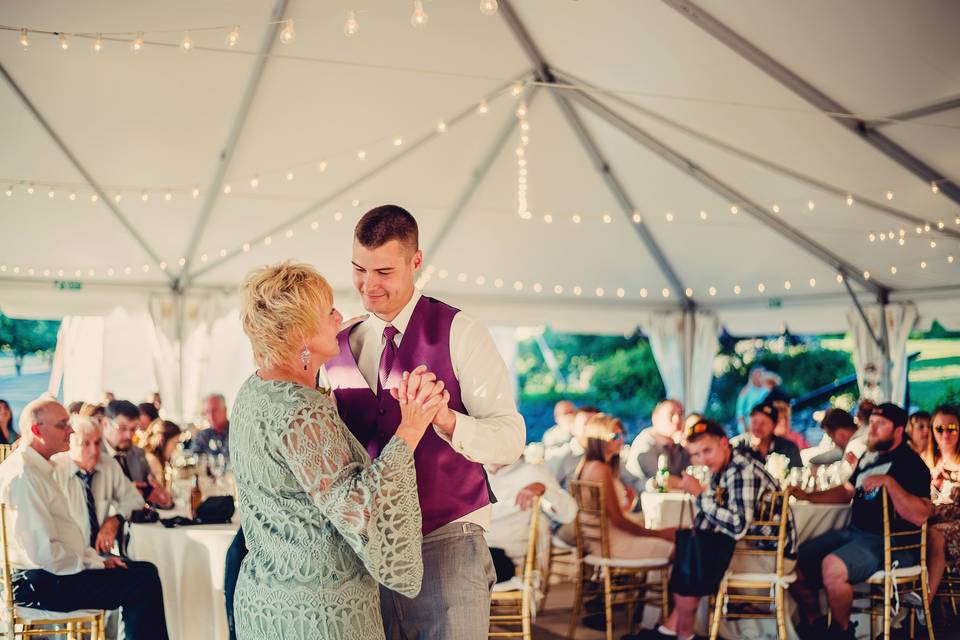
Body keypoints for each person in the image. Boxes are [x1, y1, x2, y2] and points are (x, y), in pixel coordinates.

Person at [325, 205, 525, 640]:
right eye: (359, 269)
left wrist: (447, 419)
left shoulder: (460, 331)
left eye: (383, 271)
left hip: (447, 541)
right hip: (366, 553)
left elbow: (510, 439)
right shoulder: (339, 344)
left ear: (416, 262)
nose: (368, 285)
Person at [231, 261, 437, 640]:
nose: (339, 317)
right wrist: (410, 427)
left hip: (264, 603)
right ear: (299, 334)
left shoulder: (253, 392)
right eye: (328, 312)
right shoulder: (301, 410)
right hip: (319, 615)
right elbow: (357, 507)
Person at [0, 396, 168, 639]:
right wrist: (96, 562)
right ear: (37, 431)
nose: (70, 430)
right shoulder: (26, 476)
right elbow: (43, 553)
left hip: (49, 574)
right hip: (39, 584)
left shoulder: (37, 467)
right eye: (62, 425)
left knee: (144, 572)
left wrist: (96, 559)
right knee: (142, 581)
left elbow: (60, 543)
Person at [627, 418, 793, 640]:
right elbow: (710, 518)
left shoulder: (741, 470)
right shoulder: (722, 469)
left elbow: (737, 525)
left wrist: (700, 494)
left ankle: (680, 633)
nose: (702, 459)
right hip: (749, 547)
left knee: (699, 556)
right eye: (695, 454)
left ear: (724, 443)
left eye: (707, 450)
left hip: (769, 555)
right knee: (691, 551)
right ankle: (673, 629)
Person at [789, 403, 931, 640]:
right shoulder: (868, 456)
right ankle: (815, 623)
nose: (872, 429)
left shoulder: (911, 463)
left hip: (891, 543)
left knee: (832, 566)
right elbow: (846, 492)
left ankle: (843, 632)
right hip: (856, 533)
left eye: (880, 424)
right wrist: (807, 496)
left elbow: (921, 514)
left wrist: (890, 483)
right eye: (871, 423)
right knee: (794, 559)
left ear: (898, 430)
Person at [574, 413, 675, 559]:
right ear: (599, 438)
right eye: (615, 436)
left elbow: (606, 514)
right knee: (677, 548)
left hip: (602, 540)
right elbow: (618, 520)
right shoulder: (600, 469)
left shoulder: (587, 466)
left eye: (622, 435)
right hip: (612, 543)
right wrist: (658, 534)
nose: (621, 440)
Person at [52, 415, 145, 554]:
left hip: (100, 555)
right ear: (69, 443)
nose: (95, 451)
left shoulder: (108, 464)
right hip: (68, 558)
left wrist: (115, 520)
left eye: (97, 443)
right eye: (85, 443)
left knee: (148, 570)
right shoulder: (54, 470)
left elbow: (136, 500)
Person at [484, 457, 577, 583]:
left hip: (502, 559)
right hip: (473, 551)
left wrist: (544, 489)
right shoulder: (473, 471)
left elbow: (568, 513)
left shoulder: (531, 471)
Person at [103, 400, 172, 509]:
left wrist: (163, 498)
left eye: (133, 429)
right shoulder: (93, 455)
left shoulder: (137, 453)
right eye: (122, 428)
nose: (128, 435)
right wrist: (125, 494)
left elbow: (153, 496)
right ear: (105, 424)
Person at [624, 399, 689, 491]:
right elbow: (661, 480)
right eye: (671, 414)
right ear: (655, 418)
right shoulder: (645, 443)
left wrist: (689, 446)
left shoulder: (680, 443)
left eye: (680, 414)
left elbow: (695, 470)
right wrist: (690, 484)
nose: (677, 419)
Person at [730, 400, 802, 468]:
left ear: (774, 426)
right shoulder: (736, 447)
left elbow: (798, 475)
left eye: (764, 424)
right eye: (754, 422)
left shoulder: (788, 448)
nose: (758, 427)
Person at [545, 405, 599, 489]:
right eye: (586, 424)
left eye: (595, 424)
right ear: (573, 428)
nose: (591, 429)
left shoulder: (606, 453)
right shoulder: (561, 455)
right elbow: (548, 488)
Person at [191, 393, 230, 460]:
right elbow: (195, 458)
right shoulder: (203, 435)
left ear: (225, 410)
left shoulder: (235, 434)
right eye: (208, 411)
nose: (211, 416)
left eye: (215, 410)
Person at [142, 420, 182, 484]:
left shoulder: (148, 456)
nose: (175, 448)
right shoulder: (153, 462)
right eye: (174, 443)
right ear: (162, 441)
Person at [735, 367, 770, 433]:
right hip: (748, 426)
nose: (758, 378)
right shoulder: (745, 390)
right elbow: (739, 412)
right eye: (756, 376)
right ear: (752, 377)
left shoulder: (766, 391)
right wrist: (744, 428)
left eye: (760, 376)